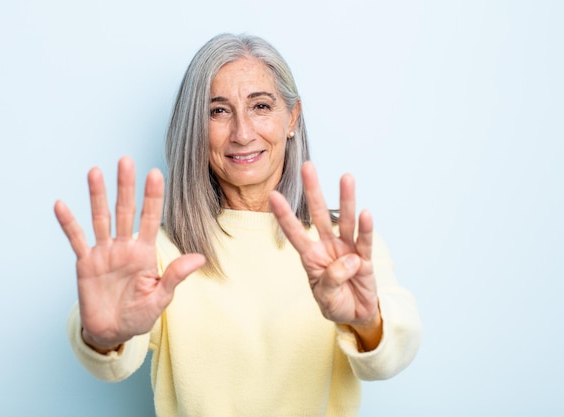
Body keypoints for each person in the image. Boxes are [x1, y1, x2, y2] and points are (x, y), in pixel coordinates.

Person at [55, 33, 421, 416]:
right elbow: (113, 359)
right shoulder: (156, 255)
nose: (243, 133)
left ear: (291, 118)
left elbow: (396, 350)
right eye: (218, 111)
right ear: (195, 127)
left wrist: (368, 321)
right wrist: (101, 338)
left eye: (260, 106)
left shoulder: (343, 247)